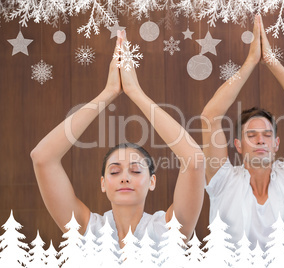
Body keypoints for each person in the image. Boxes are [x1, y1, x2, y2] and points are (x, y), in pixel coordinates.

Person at [30, 30, 205, 250]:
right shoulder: (87, 230)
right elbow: (42, 157)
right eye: (114, 171)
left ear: (152, 181)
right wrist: (109, 92)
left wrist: (135, 91)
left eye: (135, 170)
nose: (124, 178)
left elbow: (194, 159)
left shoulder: (167, 231)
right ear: (103, 183)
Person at [201, 15, 284, 248]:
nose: (260, 140)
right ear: (238, 145)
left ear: (276, 143)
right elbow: (210, 117)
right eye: (251, 135)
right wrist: (250, 62)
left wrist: (270, 61)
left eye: (267, 135)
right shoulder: (223, 181)